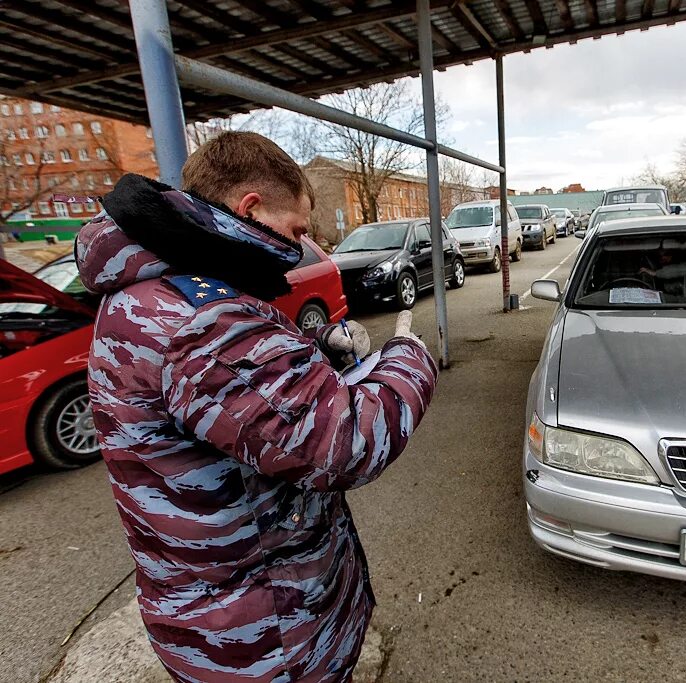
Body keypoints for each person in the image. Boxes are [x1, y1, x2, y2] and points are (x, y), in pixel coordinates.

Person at [76, 131, 438, 682]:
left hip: (219, 611)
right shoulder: (202, 317)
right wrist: (408, 358)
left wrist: (314, 360)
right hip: (266, 638)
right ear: (250, 207)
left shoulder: (151, 290)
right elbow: (344, 445)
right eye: (295, 229)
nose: (300, 245)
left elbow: (238, 402)